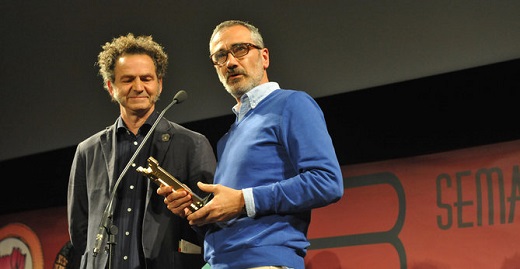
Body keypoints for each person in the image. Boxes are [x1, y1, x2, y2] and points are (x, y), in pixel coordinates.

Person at [158, 20, 344, 269]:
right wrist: (196, 211)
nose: (231, 62)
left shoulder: (292, 104)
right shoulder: (228, 138)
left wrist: (243, 201)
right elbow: (232, 220)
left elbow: (327, 181)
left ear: (264, 57)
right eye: (221, 56)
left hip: (263, 261)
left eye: (241, 49)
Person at [67, 33, 216, 269]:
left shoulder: (192, 144)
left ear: (159, 83)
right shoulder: (87, 151)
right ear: (110, 87)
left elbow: (212, 221)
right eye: (127, 80)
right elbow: (80, 230)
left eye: (146, 78)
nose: (138, 87)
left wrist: (187, 208)